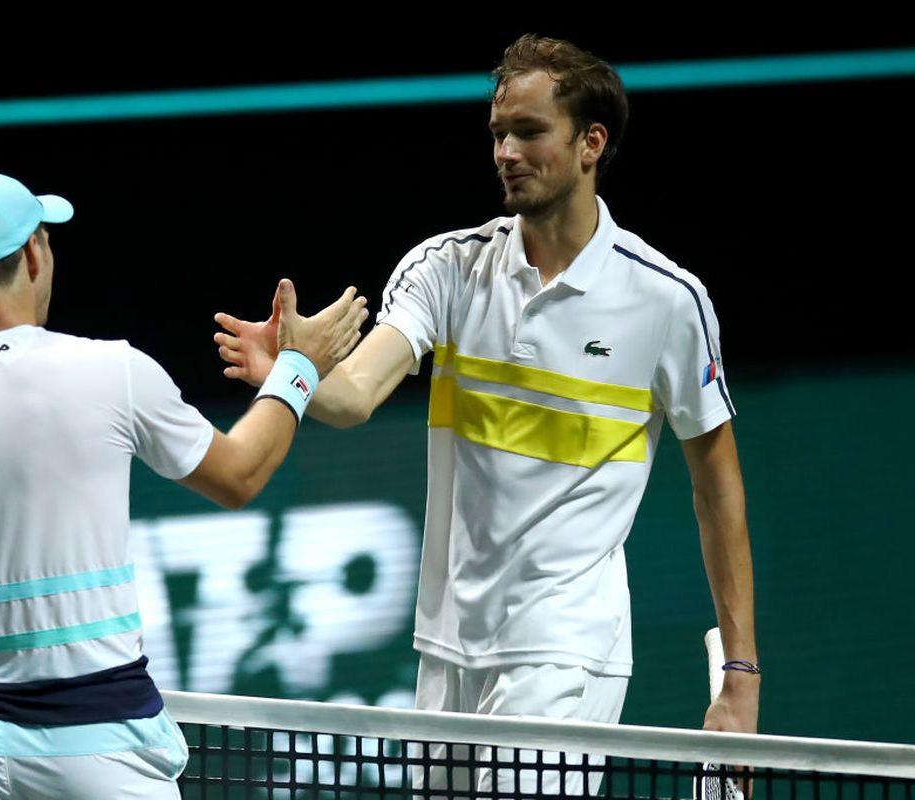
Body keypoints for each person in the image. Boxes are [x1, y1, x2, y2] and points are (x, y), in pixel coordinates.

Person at [214, 35, 759, 794]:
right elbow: (357, 394)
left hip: (565, 646)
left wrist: (741, 675)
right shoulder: (446, 268)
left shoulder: (666, 300)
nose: (505, 151)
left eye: (530, 133)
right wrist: (295, 374)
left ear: (590, 144)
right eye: (499, 133)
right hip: (448, 648)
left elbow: (718, 490)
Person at [0, 170, 368, 800]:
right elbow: (240, 475)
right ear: (32, 254)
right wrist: (297, 368)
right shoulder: (114, 371)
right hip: (101, 754)